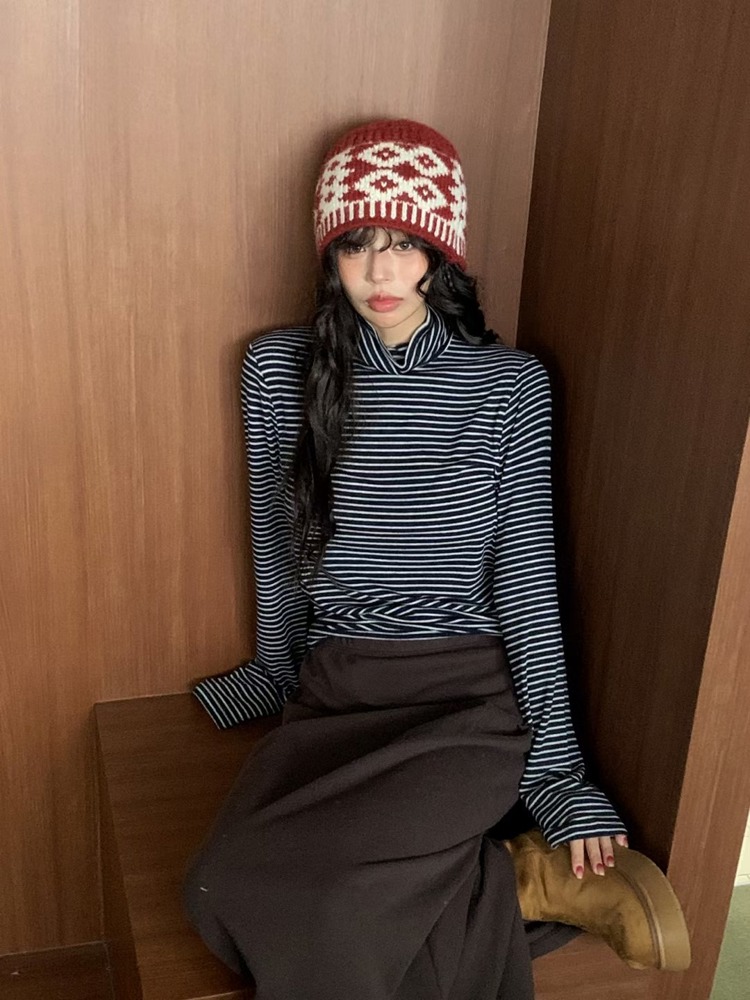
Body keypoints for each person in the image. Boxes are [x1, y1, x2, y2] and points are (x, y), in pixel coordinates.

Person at [183, 119, 690, 999]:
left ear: (442, 251)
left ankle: (514, 864)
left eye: (405, 244)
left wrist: (560, 775)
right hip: (339, 690)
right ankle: (517, 878)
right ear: (329, 254)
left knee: (338, 906)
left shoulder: (509, 385)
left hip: (463, 697)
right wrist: (273, 669)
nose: (380, 273)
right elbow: (275, 540)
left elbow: (528, 584)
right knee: (220, 889)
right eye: (356, 245)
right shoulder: (276, 370)